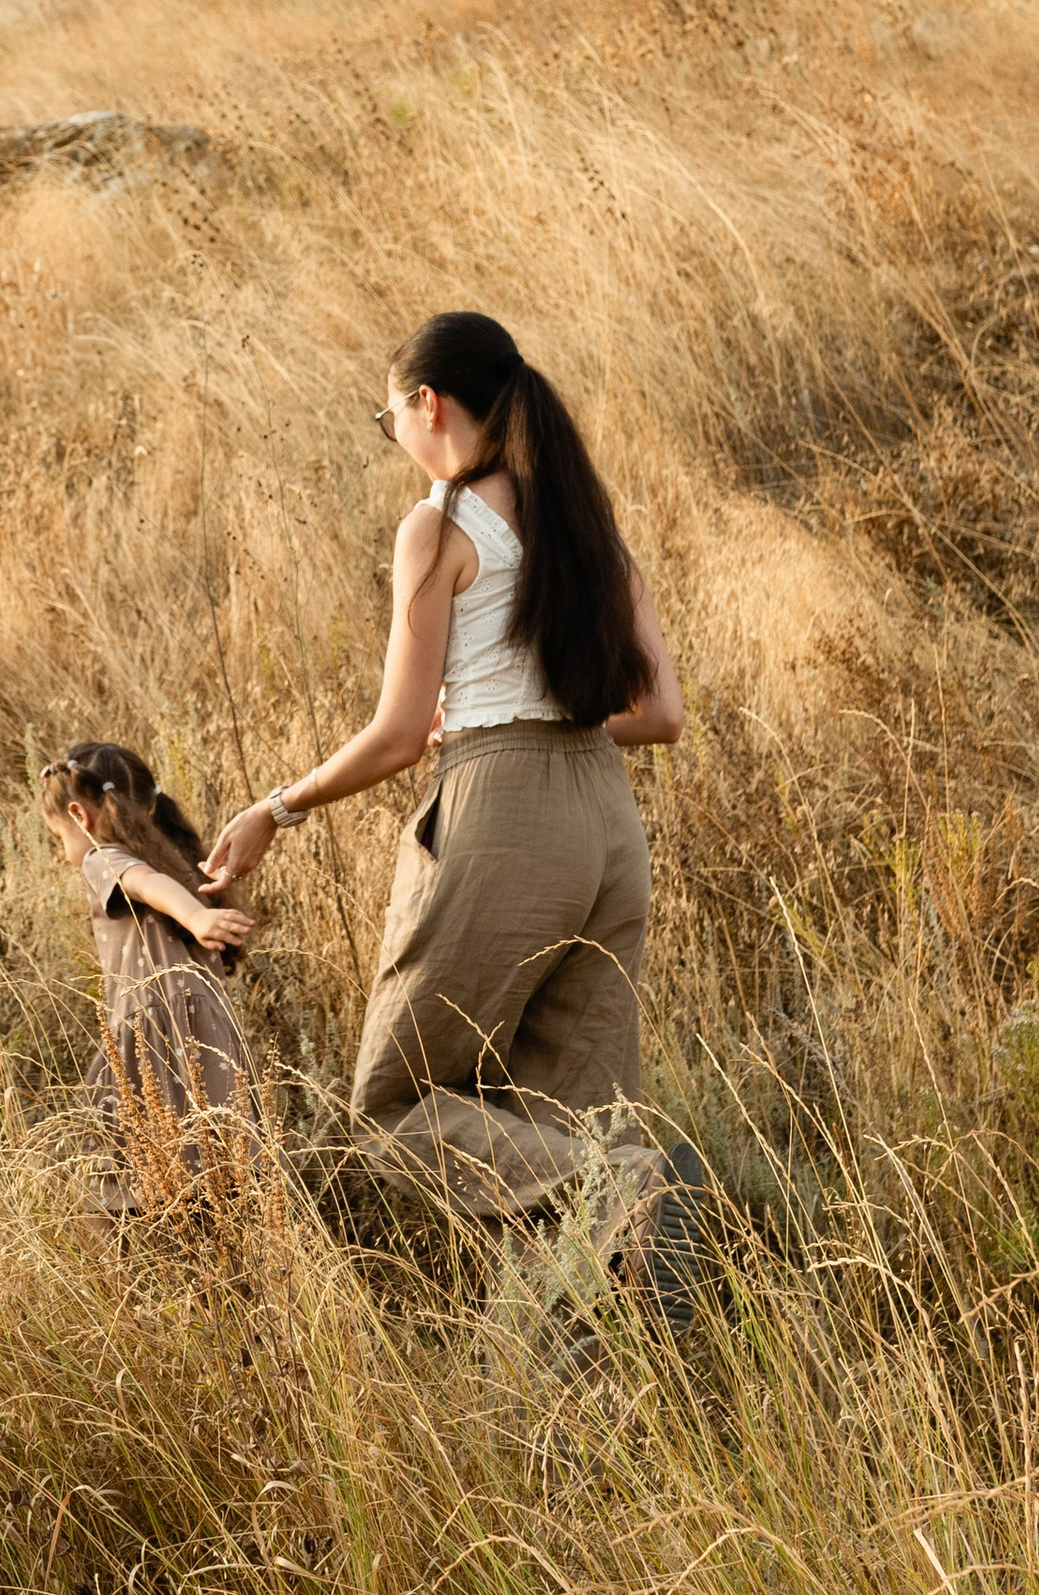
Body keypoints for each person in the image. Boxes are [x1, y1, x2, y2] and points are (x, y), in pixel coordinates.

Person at [201, 312, 699, 1314]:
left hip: (502, 814)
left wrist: (274, 809)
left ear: (428, 406)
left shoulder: (439, 523)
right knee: (567, 1123)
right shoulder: (588, 526)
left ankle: (631, 1188)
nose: (396, 442)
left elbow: (391, 734)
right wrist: (504, 709)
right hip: (606, 822)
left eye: (388, 423)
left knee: (392, 1108)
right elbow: (660, 716)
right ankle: (580, 1390)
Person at [40, 742, 267, 1218]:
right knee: (222, 1171)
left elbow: (142, 883)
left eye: (56, 836)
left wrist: (196, 919)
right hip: (207, 1032)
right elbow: (154, 881)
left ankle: (151, 1275)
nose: (63, 853)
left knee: (124, 1185)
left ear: (79, 815)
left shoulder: (102, 857)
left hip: (149, 1032)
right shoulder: (175, 856)